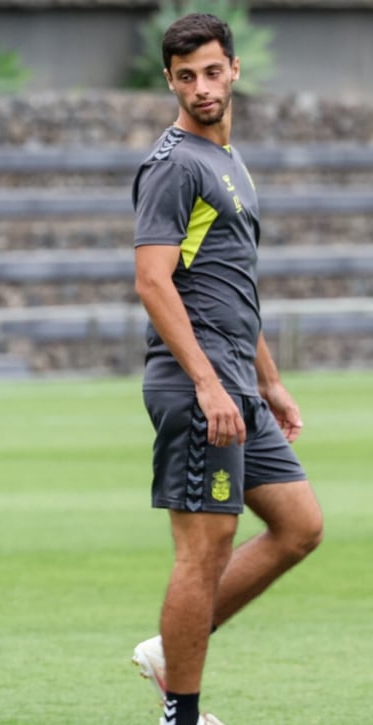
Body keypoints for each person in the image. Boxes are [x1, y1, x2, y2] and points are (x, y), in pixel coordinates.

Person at [129, 13, 324, 725]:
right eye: (186, 77)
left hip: (239, 382)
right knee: (204, 550)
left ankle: (170, 649)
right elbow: (153, 282)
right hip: (197, 387)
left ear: (234, 69)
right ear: (170, 81)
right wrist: (209, 383)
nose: (202, 88)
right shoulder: (175, 165)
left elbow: (230, 285)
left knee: (299, 524)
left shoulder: (229, 162)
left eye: (213, 72)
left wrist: (269, 380)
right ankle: (181, 713)